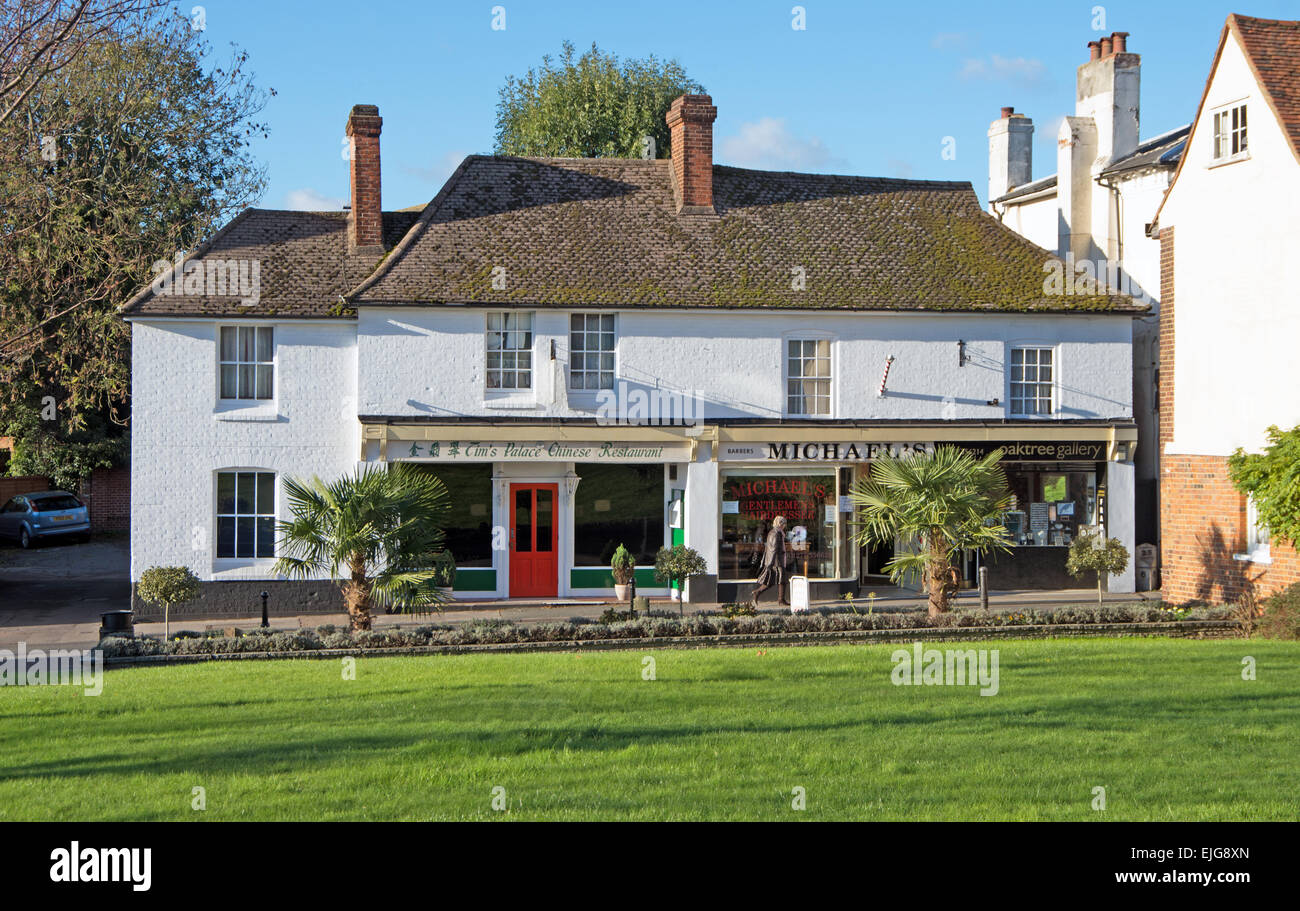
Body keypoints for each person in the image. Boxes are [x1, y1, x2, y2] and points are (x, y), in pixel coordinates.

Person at [750, 515, 789, 607]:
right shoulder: (776, 533)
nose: (784, 526)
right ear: (780, 524)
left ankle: (780, 599)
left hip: (776, 560)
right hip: (777, 561)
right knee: (780, 580)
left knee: (777, 581)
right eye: (783, 524)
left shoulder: (776, 532)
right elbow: (773, 549)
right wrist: (770, 563)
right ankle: (779, 599)